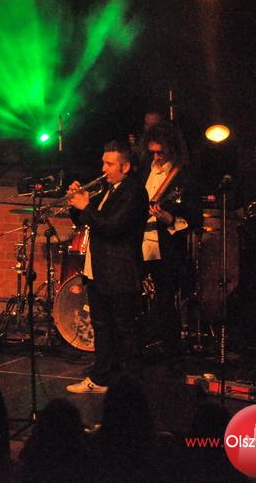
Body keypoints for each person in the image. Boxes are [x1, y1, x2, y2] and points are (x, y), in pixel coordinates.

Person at [66, 141, 149, 393]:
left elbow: (112, 226)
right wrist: (75, 203)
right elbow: (86, 220)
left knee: (124, 330)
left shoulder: (133, 192)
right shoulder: (109, 189)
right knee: (102, 327)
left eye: (109, 164)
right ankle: (101, 378)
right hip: (99, 270)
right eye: (103, 162)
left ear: (126, 166)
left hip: (120, 272)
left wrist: (86, 206)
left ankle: (130, 384)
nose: (103, 169)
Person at [138, 121, 201, 368]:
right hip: (140, 243)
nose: (156, 157)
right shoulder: (143, 170)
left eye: (160, 152)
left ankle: (172, 355)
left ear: (172, 149)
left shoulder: (183, 177)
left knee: (165, 301)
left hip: (167, 247)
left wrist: (171, 219)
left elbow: (195, 216)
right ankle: (141, 348)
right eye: (153, 152)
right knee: (135, 298)